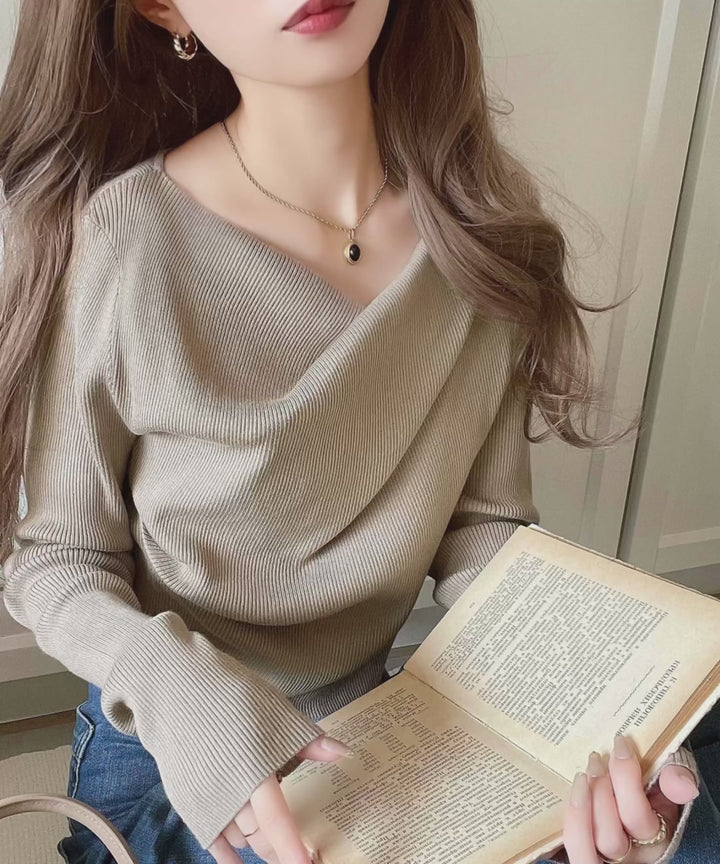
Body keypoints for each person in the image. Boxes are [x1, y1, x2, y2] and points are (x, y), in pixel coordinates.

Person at [0, 1, 715, 863]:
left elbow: (481, 530)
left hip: (371, 733)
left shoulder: (476, 225)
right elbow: (58, 560)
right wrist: (183, 694)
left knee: (674, 806)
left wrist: (605, 714)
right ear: (161, 7)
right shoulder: (119, 242)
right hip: (163, 745)